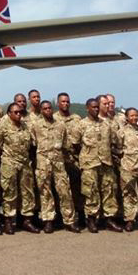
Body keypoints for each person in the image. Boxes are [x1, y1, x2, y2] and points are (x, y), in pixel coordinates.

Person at [31, 100, 80, 233]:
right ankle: (48, 221)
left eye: (49, 108)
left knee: (65, 191)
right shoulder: (36, 126)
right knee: (45, 193)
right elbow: (33, 144)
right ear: (41, 111)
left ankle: (69, 220)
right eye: (45, 109)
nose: (48, 111)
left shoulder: (60, 125)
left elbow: (65, 145)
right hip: (43, 163)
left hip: (59, 163)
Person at [75, 98, 122, 233]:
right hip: (90, 164)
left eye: (97, 107)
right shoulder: (81, 124)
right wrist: (87, 156)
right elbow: (75, 144)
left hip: (106, 163)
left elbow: (113, 141)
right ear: (87, 108)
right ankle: (91, 220)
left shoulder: (106, 124)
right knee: (91, 192)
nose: (96, 109)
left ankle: (109, 220)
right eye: (93, 107)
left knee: (109, 191)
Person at [0, 102, 38, 234]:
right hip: (9, 163)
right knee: (9, 193)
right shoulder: (2, 126)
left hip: (24, 164)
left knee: (27, 193)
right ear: (9, 114)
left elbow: (32, 144)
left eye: (20, 112)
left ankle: (26, 220)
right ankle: (9, 221)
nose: (19, 114)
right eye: (16, 112)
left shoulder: (26, 126)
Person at [55, 92, 84, 223]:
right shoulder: (53, 118)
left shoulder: (77, 118)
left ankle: (81, 214)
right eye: (63, 101)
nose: (65, 104)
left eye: (67, 101)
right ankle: (60, 216)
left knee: (77, 188)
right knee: (60, 189)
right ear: (57, 103)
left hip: (75, 159)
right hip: (59, 160)